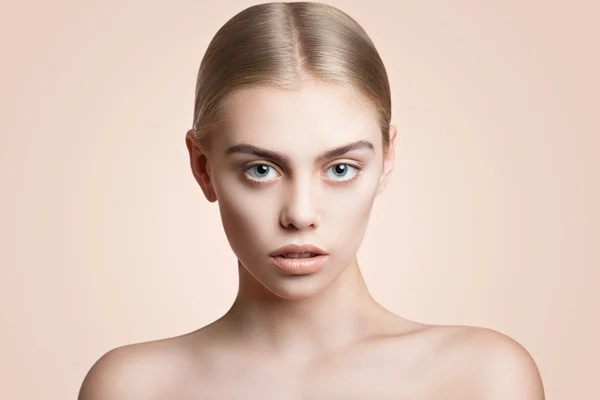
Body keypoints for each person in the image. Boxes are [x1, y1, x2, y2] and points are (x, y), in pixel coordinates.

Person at [78, 2, 544, 399]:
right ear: (203, 167)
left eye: (340, 169)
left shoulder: (481, 379)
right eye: (261, 169)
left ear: (386, 159)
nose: (300, 214)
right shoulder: (135, 388)